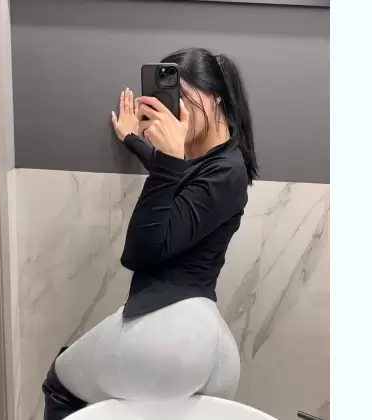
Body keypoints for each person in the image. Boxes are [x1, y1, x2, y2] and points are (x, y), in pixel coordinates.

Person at [42, 47, 258, 420]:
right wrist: (135, 140)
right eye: (171, 100)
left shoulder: (226, 171)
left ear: (217, 98)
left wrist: (170, 158)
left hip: (169, 329)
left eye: (185, 98)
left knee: (59, 385)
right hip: (204, 336)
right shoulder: (217, 162)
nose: (176, 112)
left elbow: (139, 252)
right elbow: (181, 180)